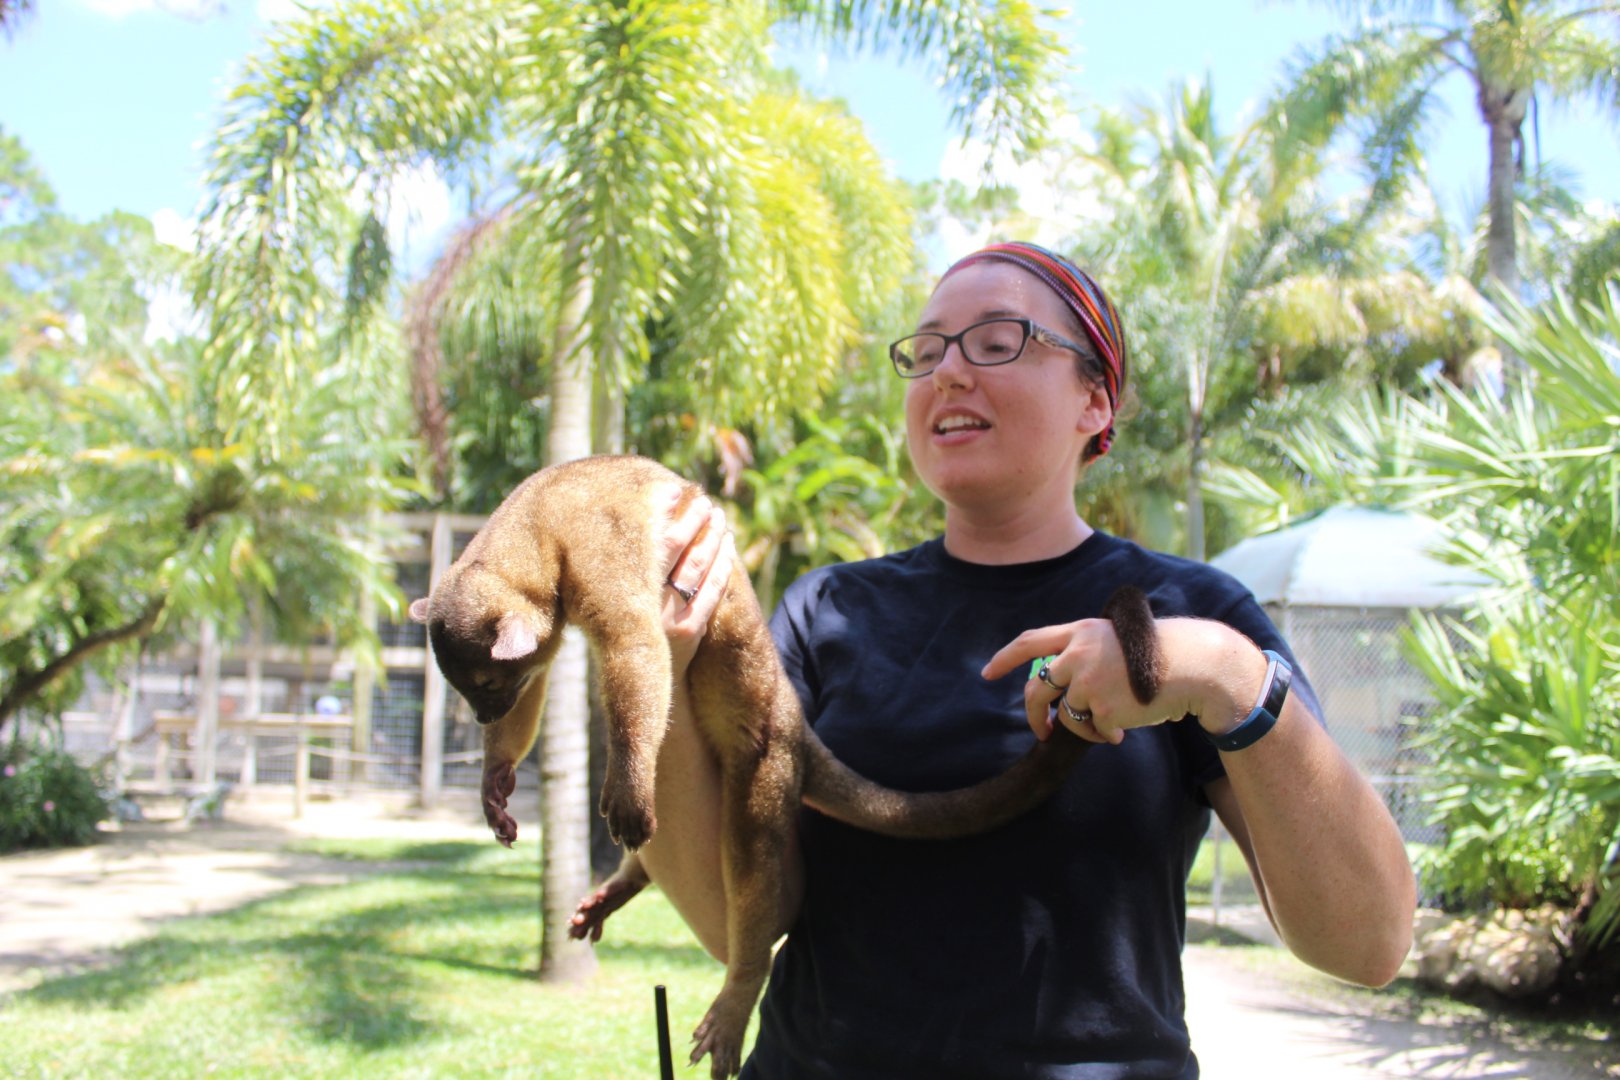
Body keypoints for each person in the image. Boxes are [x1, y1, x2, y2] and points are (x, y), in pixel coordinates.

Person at [636, 241, 1415, 1078]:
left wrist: (1222, 673)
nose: (948, 372)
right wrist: (663, 675)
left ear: (1094, 399)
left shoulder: (1197, 613)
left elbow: (1366, 944)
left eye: (997, 339)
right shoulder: (829, 610)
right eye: (927, 350)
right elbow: (734, 921)